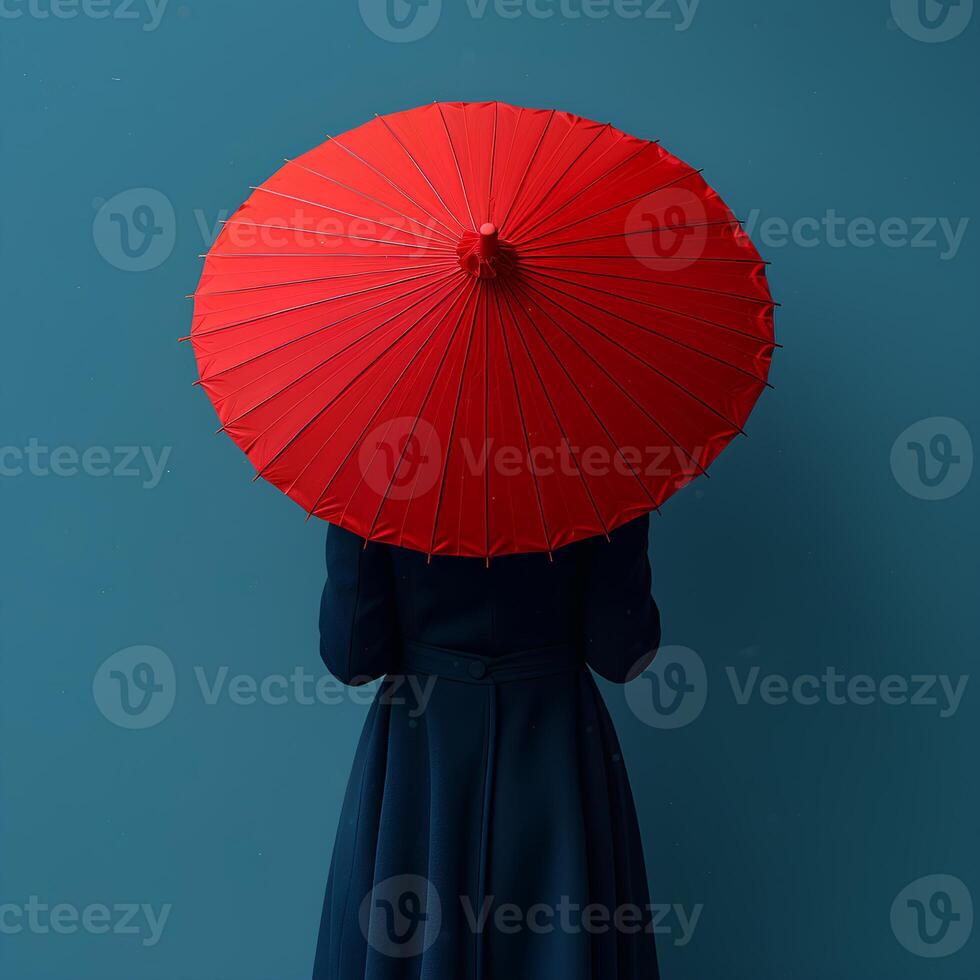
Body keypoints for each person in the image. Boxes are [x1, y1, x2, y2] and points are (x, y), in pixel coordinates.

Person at [313, 514, 662, 980]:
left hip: (420, 762)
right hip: (556, 753)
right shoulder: (598, 470)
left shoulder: (379, 467)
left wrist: (352, 524)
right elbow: (622, 656)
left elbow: (353, 657)